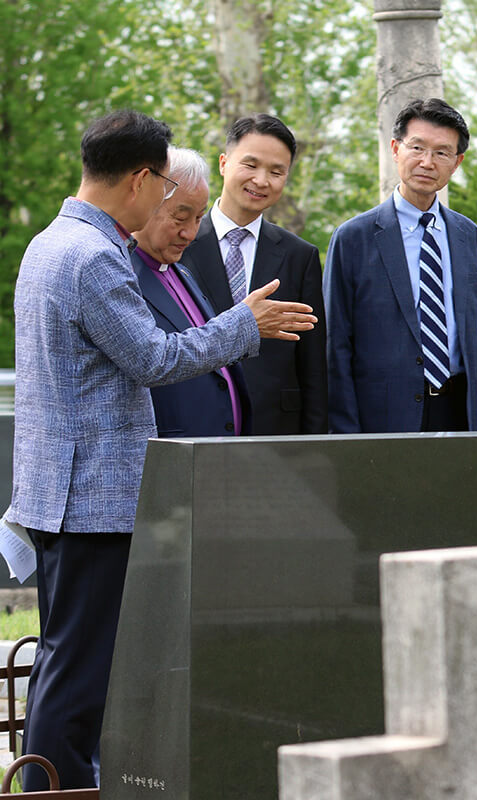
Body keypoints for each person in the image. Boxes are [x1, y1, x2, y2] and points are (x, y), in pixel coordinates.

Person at [10, 111, 317, 790]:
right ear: (142, 180)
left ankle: (56, 781)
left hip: (64, 492)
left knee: (69, 660)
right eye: (166, 194)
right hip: (94, 499)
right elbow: (154, 356)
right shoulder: (94, 257)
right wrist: (245, 324)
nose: (172, 213)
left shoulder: (50, 242)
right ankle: (53, 788)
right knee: (80, 673)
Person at [324, 99, 477, 432]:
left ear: (457, 162)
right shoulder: (353, 239)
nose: (427, 162)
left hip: (458, 412)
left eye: (442, 153)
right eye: (417, 147)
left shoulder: (468, 237)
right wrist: (345, 435)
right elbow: (336, 345)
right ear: (395, 149)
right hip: (383, 419)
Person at [180, 113, 328, 435]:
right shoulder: (180, 246)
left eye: (276, 172)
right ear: (223, 163)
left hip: (276, 431)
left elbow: (313, 366)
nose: (262, 180)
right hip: (195, 424)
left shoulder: (299, 256)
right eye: (251, 165)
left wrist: (315, 445)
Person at [131, 146, 252, 437]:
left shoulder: (181, 271)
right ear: (148, 201)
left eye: (198, 218)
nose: (190, 233)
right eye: (180, 217)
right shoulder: (124, 276)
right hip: (170, 460)